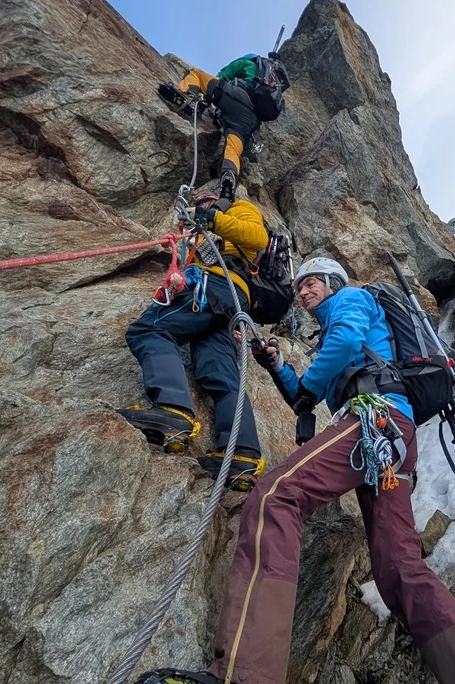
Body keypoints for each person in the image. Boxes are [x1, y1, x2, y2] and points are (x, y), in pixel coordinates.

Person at [134, 258, 455, 684]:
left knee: (276, 496)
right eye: (299, 287)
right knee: (400, 568)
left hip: (373, 419)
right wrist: (277, 364)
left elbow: (345, 345)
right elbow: (305, 394)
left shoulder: (352, 299)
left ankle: (245, 675)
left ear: (332, 283)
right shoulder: (335, 331)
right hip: (392, 441)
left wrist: (311, 385)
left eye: (311, 283)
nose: (303, 292)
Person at [118, 190, 268, 492]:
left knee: (148, 330)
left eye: (203, 203)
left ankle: (173, 410)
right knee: (219, 372)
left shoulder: (239, 209)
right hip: (228, 302)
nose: (196, 209)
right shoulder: (199, 239)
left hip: (215, 285)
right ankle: (242, 454)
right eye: (195, 206)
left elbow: (257, 238)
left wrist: (212, 218)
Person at [168, 54, 275, 202]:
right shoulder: (266, 87)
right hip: (249, 120)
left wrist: (208, 97)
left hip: (238, 98)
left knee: (197, 75)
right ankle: (228, 177)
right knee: (233, 148)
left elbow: (223, 76)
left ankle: (186, 96)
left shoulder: (246, 63)